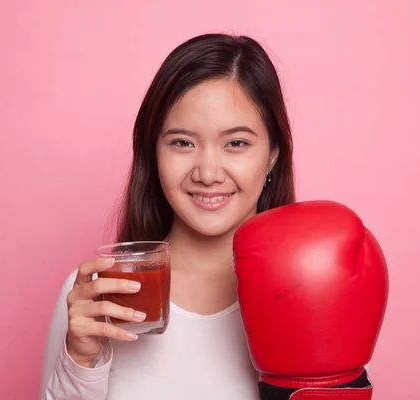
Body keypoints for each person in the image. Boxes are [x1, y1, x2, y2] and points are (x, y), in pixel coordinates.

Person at [40, 32, 296, 399]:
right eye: (182, 142)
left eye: (236, 143)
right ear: (153, 152)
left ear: (273, 153)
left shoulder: (308, 290)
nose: (208, 173)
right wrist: (81, 361)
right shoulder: (100, 298)